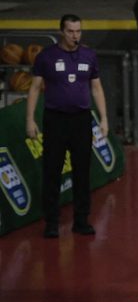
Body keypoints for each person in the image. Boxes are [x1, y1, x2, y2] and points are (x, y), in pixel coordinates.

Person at [25, 15, 109, 239]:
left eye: (78, 31)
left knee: (82, 171)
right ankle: (51, 222)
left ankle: (81, 220)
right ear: (62, 31)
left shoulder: (89, 56)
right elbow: (34, 88)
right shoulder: (46, 56)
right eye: (71, 31)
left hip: (81, 120)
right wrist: (30, 119)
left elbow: (97, 88)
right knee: (52, 171)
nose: (75, 36)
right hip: (55, 120)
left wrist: (104, 118)